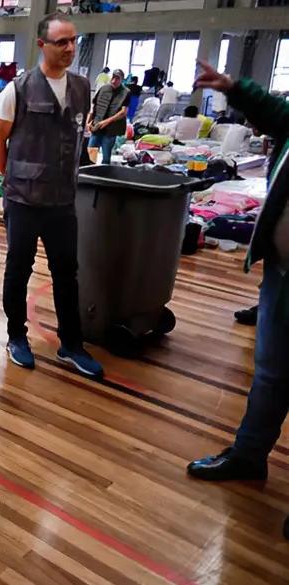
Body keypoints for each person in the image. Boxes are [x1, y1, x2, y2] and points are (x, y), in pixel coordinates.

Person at [184, 59, 289, 541]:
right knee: (269, 375)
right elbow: (273, 111)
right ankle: (248, 456)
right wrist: (233, 88)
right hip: (284, 277)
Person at [0, 13, 104, 378]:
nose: (70, 48)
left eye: (74, 41)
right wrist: (13, 179)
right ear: (42, 45)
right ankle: (15, 337)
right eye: (61, 42)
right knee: (18, 271)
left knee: (67, 273)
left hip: (63, 202)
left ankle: (71, 344)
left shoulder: (83, 88)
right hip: (23, 201)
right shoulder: (18, 90)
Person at [86, 69, 128, 164]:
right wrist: (88, 121)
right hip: (97, 125)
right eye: (113, 77)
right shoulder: (104, 88)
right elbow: (94, 105)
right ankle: (89, 174)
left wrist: (106, 122)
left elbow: (123, 112)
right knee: (91, 153)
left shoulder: (125, 92)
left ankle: (104, 175)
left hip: (111, 129)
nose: (114, 80)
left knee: (106, 155)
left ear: (122, 80)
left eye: (117, 78)